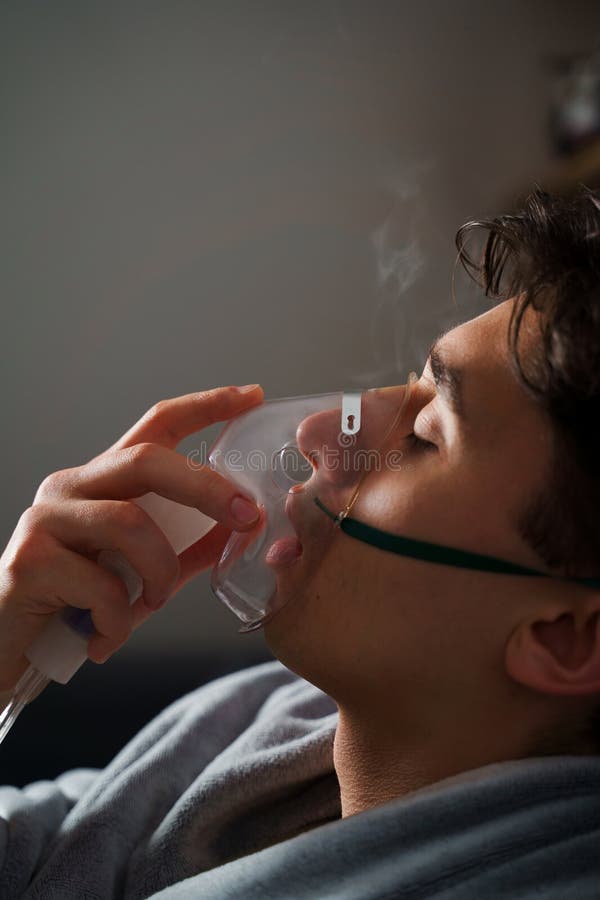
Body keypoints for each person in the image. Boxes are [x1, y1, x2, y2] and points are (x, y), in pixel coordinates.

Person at [1, 186, 600, 899]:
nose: (318, 431)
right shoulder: (260, 723)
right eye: (410, 388)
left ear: (565, 637)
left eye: (424, 435)